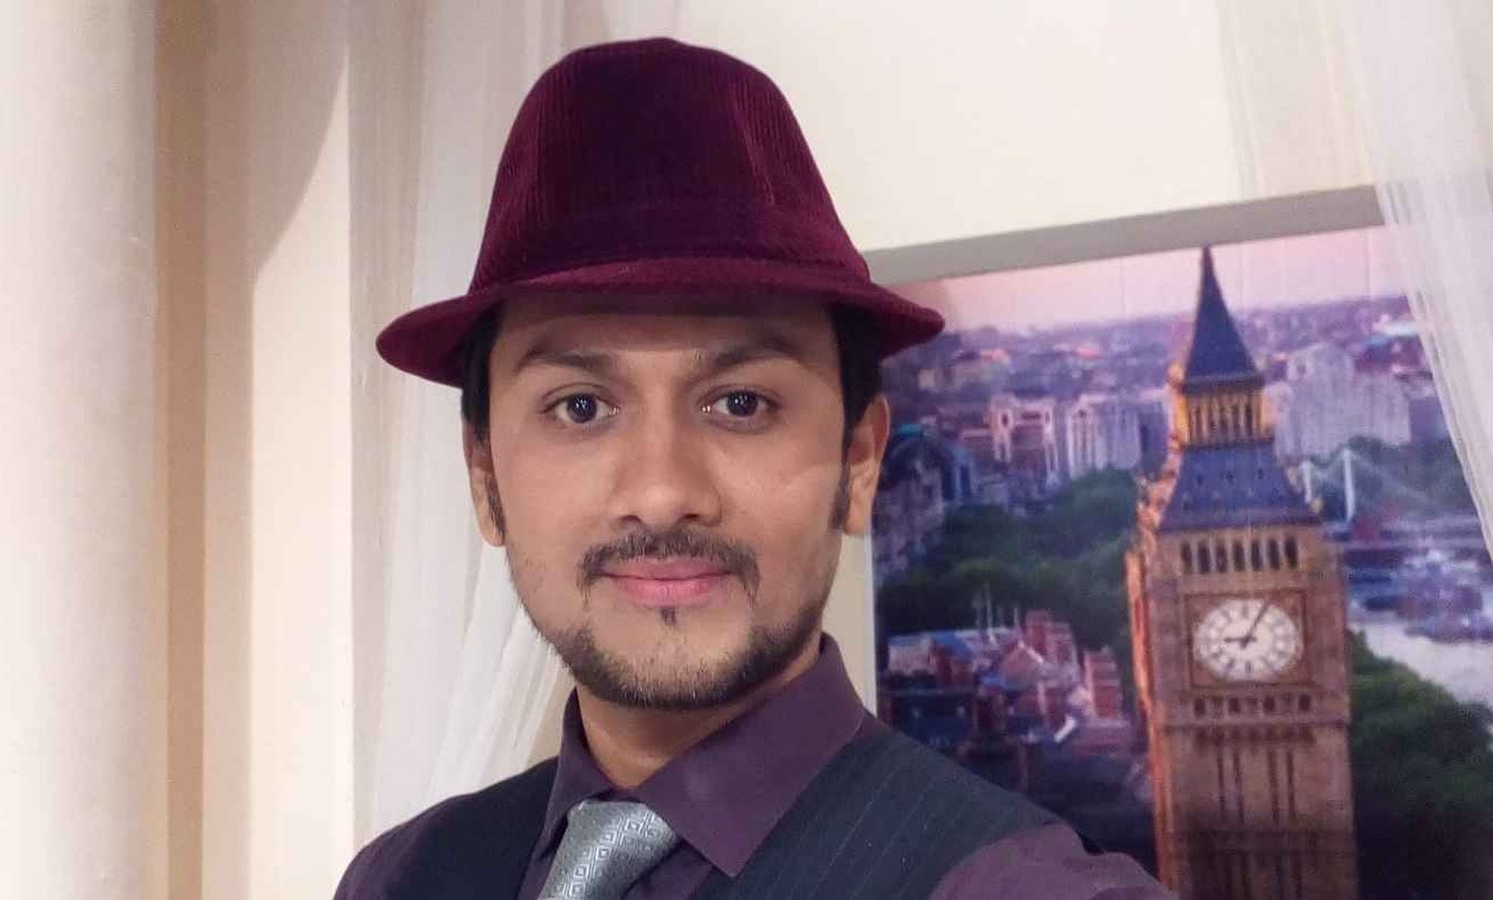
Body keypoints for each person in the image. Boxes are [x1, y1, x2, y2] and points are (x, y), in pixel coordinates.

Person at [334, 37, 1171, 900]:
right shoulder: (403, 878)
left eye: (740, 403)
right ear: (484, 477)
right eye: (580, 407)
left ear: (858, 461)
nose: (662, 493)